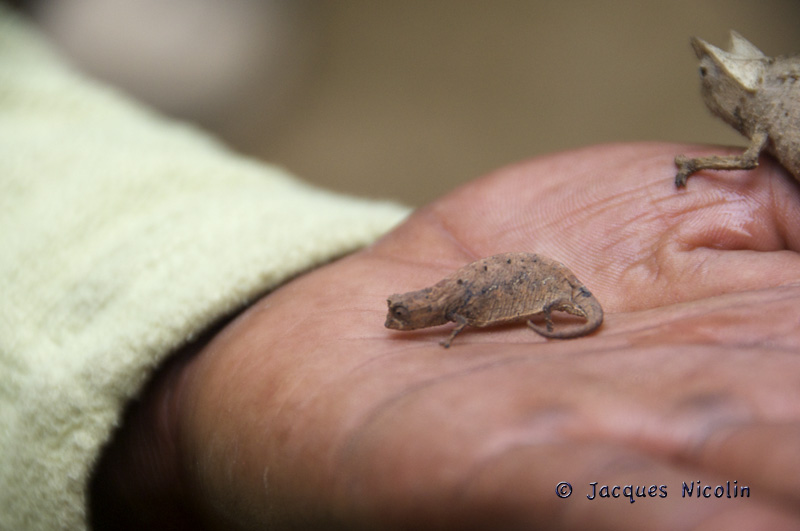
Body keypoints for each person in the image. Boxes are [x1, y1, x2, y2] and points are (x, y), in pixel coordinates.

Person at [3, 8, 800, 530]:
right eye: (403, 315)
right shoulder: (437, 309)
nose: (402, 320)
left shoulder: (454, 314)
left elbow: (470, 309)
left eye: (402, 315)